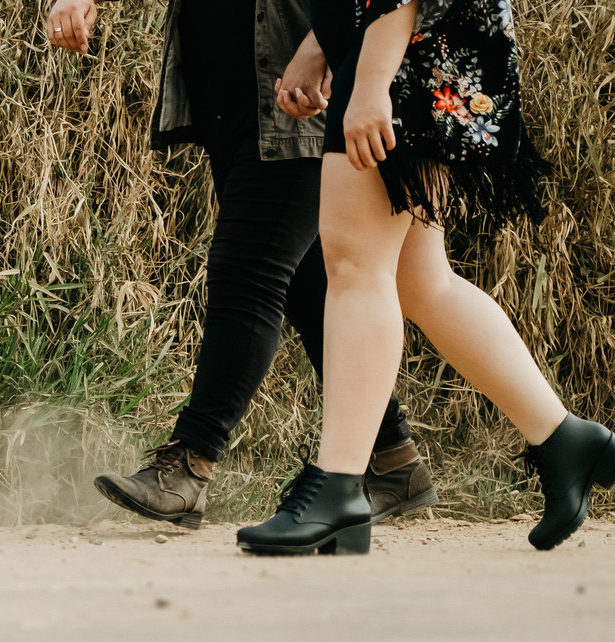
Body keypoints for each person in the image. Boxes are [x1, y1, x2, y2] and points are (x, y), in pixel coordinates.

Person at [237, 0, 615, 555]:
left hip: (400, 50)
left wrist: (373, 80)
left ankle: (338, 484)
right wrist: (321, 47)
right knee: (419, 280)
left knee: (356, 265)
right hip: (404, 46)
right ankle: (565, 439)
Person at [46, 0, 439, 529]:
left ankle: (190, 464)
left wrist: (321, 46)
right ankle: (391, 458)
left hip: (297, 82)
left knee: (247, 272)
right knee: (302, 284)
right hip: (230, 83)